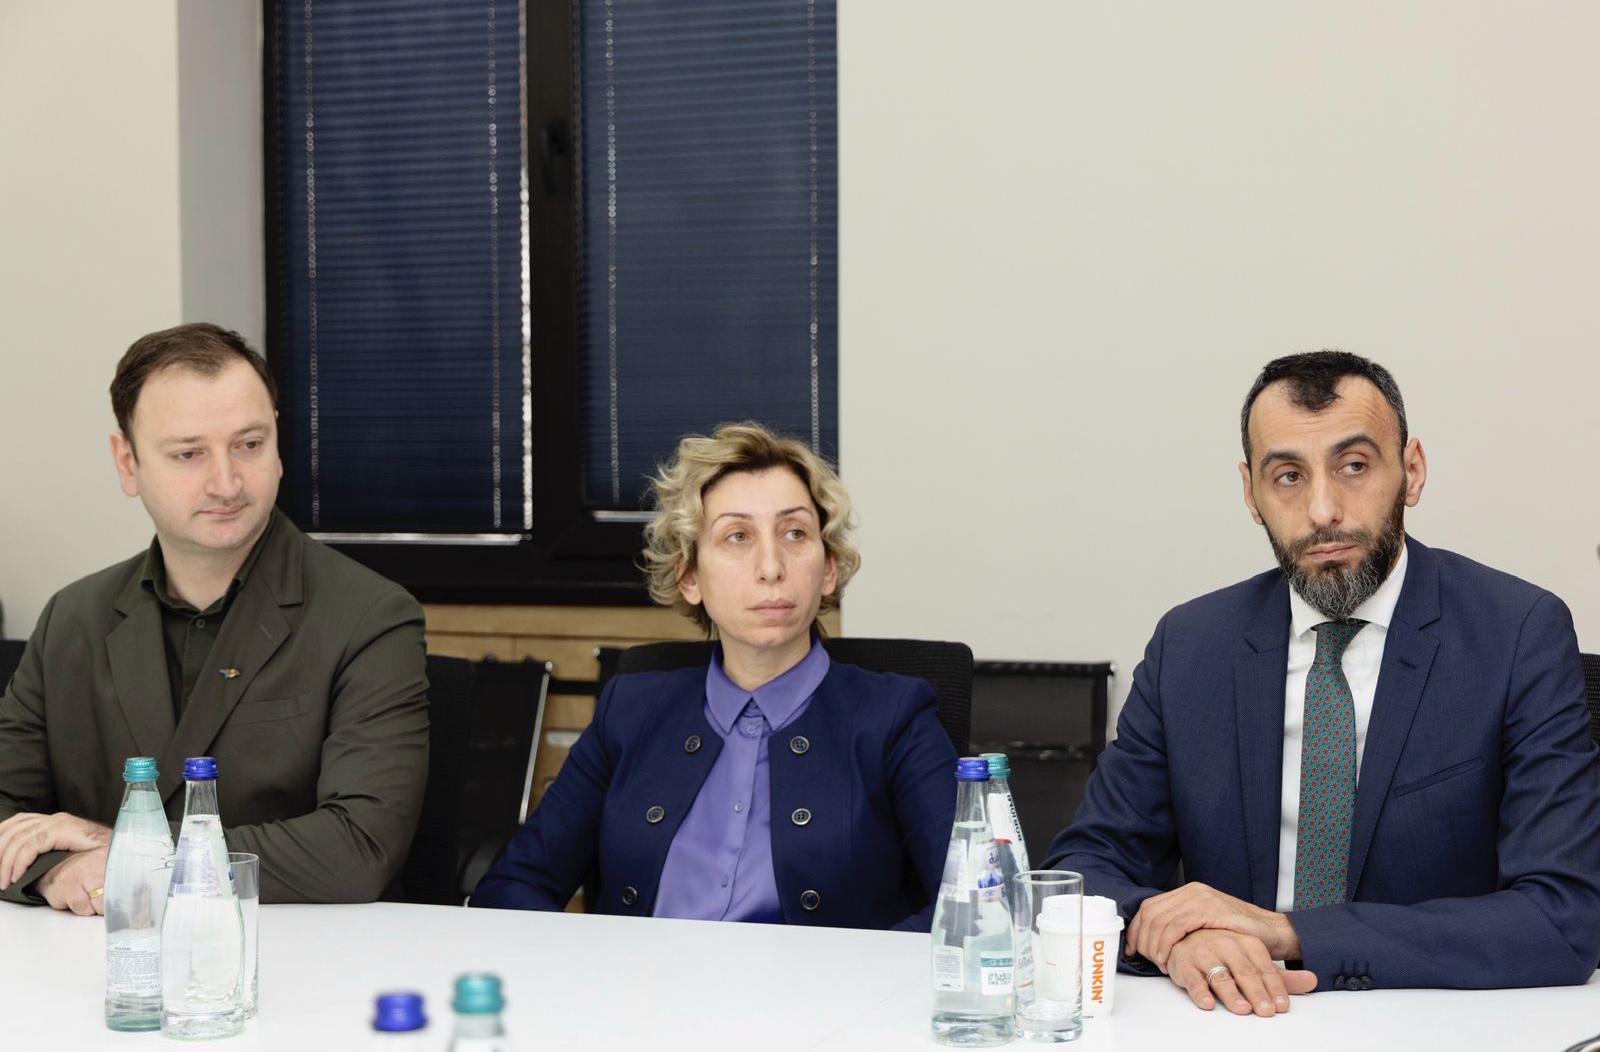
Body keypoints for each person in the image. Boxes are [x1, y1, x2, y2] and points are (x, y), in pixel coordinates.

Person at [1044, 351, 1600, 1015]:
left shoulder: (1517, 633)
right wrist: (1176, 936)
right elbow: (1085, 870)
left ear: (1412, 471)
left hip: (1429, 1019)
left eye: (1354, 466)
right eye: (1288, 476)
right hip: (1230, 1019)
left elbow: (1563, 917)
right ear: (1251, 494)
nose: (1323, 510)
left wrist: (1290, 933)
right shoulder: (1190, 646)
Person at [0, 323, 428, 912]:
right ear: (127, 463)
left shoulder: (370, 615)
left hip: (299, 951)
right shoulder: (72, 618)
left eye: (249, 445)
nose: (227, 483)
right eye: (188, 454)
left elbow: (358, 849)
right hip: (104, 949)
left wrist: (134, 855)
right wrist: (51, 874)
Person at [472, 422, 958, 928]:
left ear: (829, 568)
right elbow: (512, 886)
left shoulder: (895, 717)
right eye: (737, 536)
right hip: (641, 978)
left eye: (795, 533)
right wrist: (595, 964)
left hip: (819, 984)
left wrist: (844, 975)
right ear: (689, 577)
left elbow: (979, 902)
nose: (771, 567)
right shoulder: (630, 710)